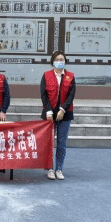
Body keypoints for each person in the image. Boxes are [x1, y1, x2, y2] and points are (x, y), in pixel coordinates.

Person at [40, 50, 76, 181]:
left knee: (62, 143)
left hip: (65, 114)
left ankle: (59, 168)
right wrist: (49, 110)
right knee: (49, 143)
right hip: (49, 115)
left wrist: (63, 110)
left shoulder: (70, 76)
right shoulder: (46, 75)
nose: (59, 62)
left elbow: (71, 95)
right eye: (57, 60)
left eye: (62, 60)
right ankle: (49, 169)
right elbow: (43, 94)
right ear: (52, 61)